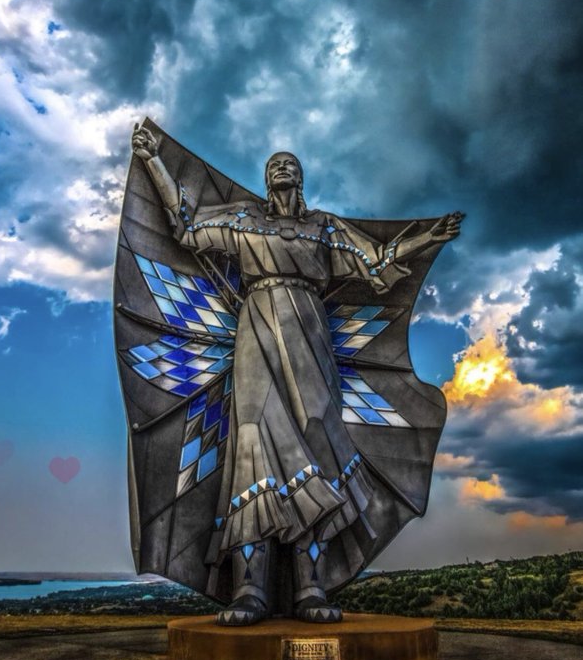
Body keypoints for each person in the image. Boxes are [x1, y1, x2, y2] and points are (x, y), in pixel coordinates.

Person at [131, 122, 462, 625]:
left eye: (290, 163)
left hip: (311, 336)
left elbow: (376, 260)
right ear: (266, 181)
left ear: (300, 179)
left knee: (313, 439)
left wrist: (425, 238)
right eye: (273, 164)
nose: (281, 166)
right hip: (257, 328)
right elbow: (188, 225)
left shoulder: (323, 228)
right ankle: (249, 588)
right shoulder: (243, 221)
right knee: (252, 442)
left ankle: (310, 586)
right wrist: (155, 161)